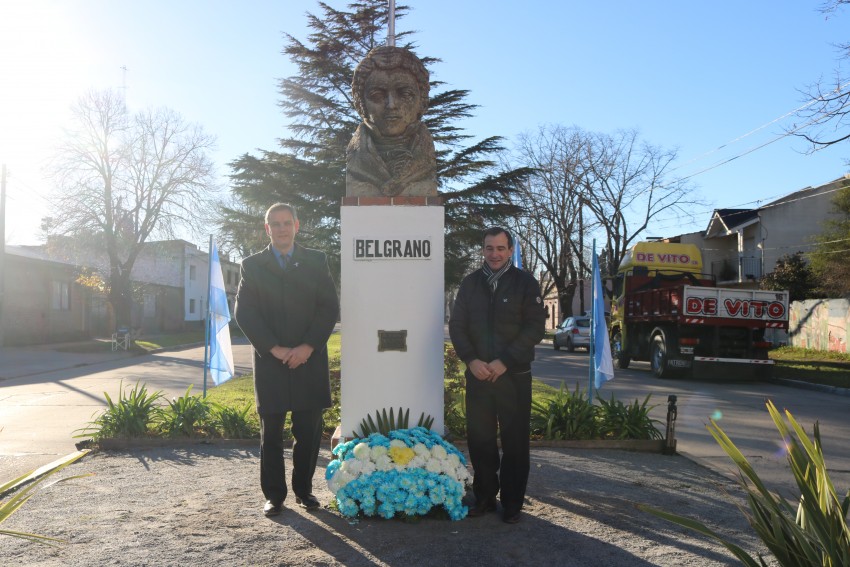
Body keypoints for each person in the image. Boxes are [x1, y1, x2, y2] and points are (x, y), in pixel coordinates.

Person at [234, 203, 339, 517]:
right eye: (275, 224)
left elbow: (328, 308)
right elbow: (245, 312)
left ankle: (304, 492)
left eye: (286, 223)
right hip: (271, 363)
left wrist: (307, 347)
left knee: (308, 433)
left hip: (309, 360)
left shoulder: (317, 261)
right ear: (267, 229)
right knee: (272, 434)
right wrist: (275, 349)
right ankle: (274, 497)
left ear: (297, 225)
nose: (281, 229)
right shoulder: (251, 265)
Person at [448, 227, 546, 524]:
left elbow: (535, 328)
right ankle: (486, 498)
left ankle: (513, 504)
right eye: (489, 248)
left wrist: (504, 361)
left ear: (510, 250)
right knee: (480, 440)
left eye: (501, 248)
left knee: (515, 442)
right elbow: (457, 326)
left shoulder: (525, 283)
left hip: (514, 375)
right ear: (483, 249)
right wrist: (471, 359)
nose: (494, 254)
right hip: (478, 375)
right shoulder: (470, 284)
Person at [346, 45, 437, 197]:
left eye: (405, 93)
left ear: (422, 101)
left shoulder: (426, 158)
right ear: (361, 103)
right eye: (377, 95)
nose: (391, 105)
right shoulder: (356, 160)